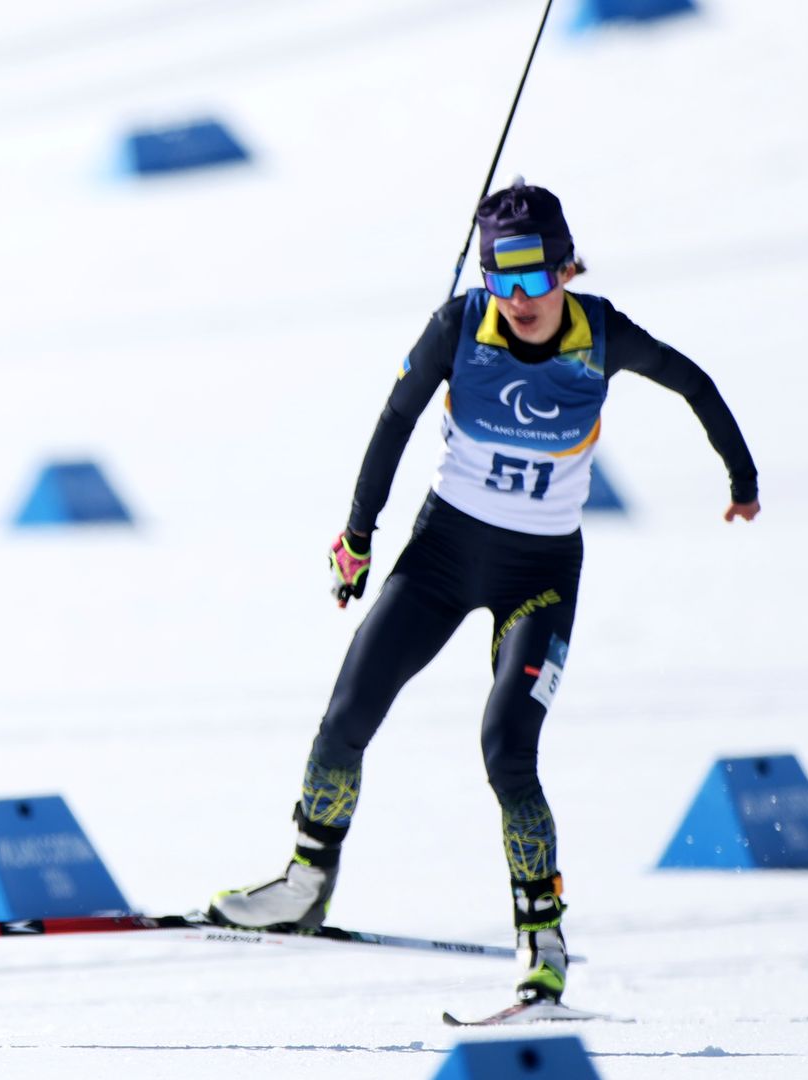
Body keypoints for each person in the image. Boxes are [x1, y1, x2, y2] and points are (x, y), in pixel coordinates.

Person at [206, 182, 759, 1008]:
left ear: (567, 271)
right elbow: (392, 422)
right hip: (441, 555)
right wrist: (358, 536)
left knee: (506, 748)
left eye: (538, 282)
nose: (521, 302)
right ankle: (305, 883)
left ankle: (542, 935)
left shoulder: (600, 334)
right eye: (504, 282)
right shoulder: (459, 326)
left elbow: (694, 382)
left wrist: (741, 476)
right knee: (348, 712)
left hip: (538, 580)